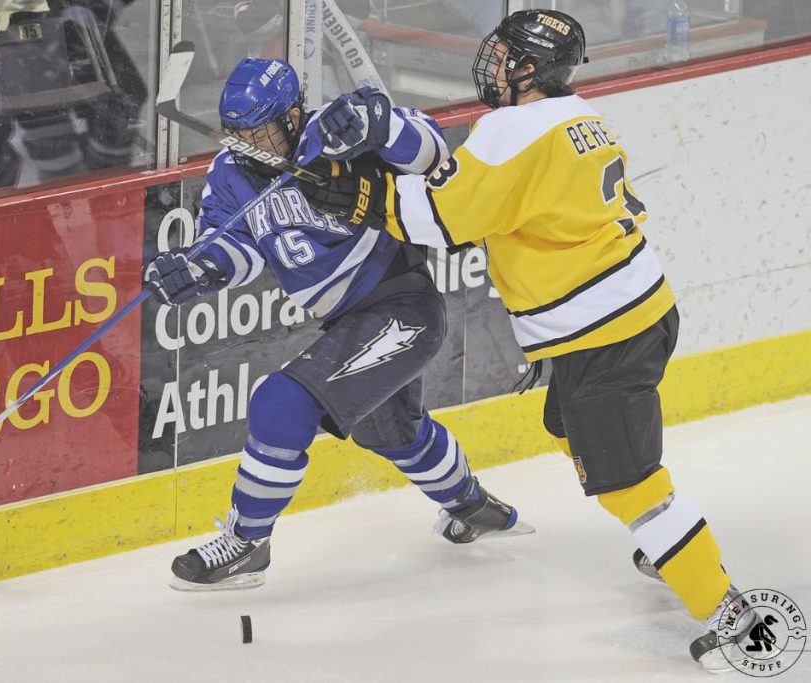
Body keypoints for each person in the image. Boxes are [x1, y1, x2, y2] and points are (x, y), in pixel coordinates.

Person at [299, 9, 762, 672]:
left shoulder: (510, 131)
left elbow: (443, 217)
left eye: (504, 56)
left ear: (528, 68)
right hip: (639, 311)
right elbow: (486, 198)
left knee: (630, 483)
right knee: (575, 431)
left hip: (607, 332)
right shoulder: (578, 117)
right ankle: (669, 542)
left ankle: (728, 608)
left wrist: (355, 193)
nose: (491, 64)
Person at [143, 57, 532, 592]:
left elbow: (436, 154)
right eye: (237, 132)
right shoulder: (231, 173)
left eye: (260, 131)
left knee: (280, 404)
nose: (247, 143)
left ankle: (247, 543)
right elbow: (236, 247)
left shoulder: (339, 130)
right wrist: (200, 268)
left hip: (403, 309)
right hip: (350, 322)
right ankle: (473, 507)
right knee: (392, 432)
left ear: (293, 116)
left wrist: (384, 124)